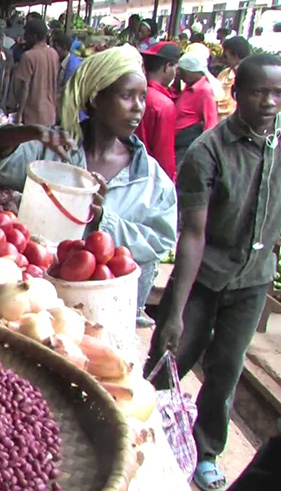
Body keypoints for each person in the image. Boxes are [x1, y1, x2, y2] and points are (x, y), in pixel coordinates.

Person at [145, 53, 281, 491]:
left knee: (226, 369)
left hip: (254, 279)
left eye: (278, 93)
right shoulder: (208, 151)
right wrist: (175, 310)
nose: (270, 102)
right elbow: (193, 236)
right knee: (170, 358)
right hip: (204, 277)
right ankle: (138, 425)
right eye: (260, 91)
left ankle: (207, 452)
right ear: (236, 94)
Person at [0, 45, 177, 325]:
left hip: (101, 317)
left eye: (142, 97)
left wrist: (105, 220)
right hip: (33, 307)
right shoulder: (53, 150)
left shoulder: (150, 179)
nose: (138, 107)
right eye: (127, 96)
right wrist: (27, 132)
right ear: (95, 99)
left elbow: (160, 240)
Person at [136, 42, 182, 181]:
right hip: (149, 176)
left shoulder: (132, 93)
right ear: (167, 67)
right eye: (175, 67)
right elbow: (164, 154)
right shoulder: (163, 104)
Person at [173, 53, 219, 167]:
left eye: (183, 72)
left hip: (187, 142)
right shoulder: (190, 86)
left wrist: (204, 150)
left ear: (192, 72)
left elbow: (211, 122)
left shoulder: (204, 90)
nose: (180, 75)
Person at [12, 19, 59, 126]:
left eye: (26, 34)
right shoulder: (54, 54)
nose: (24, 37)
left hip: (33, 116)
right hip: (50, 114)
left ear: (34, 36)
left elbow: (25, 87)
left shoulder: (29, 56)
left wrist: (19, 114)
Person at [217, 36, 251, 120]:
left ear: (235, 55)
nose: (223, 60)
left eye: (226, 56)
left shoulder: (250, 77)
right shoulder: (225, 73)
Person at [52, 31, 82, 96]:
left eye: (55, 47)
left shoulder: (72, 66)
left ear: (65, 47)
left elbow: (67, 91)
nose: (53, 50)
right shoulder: (62, 60)